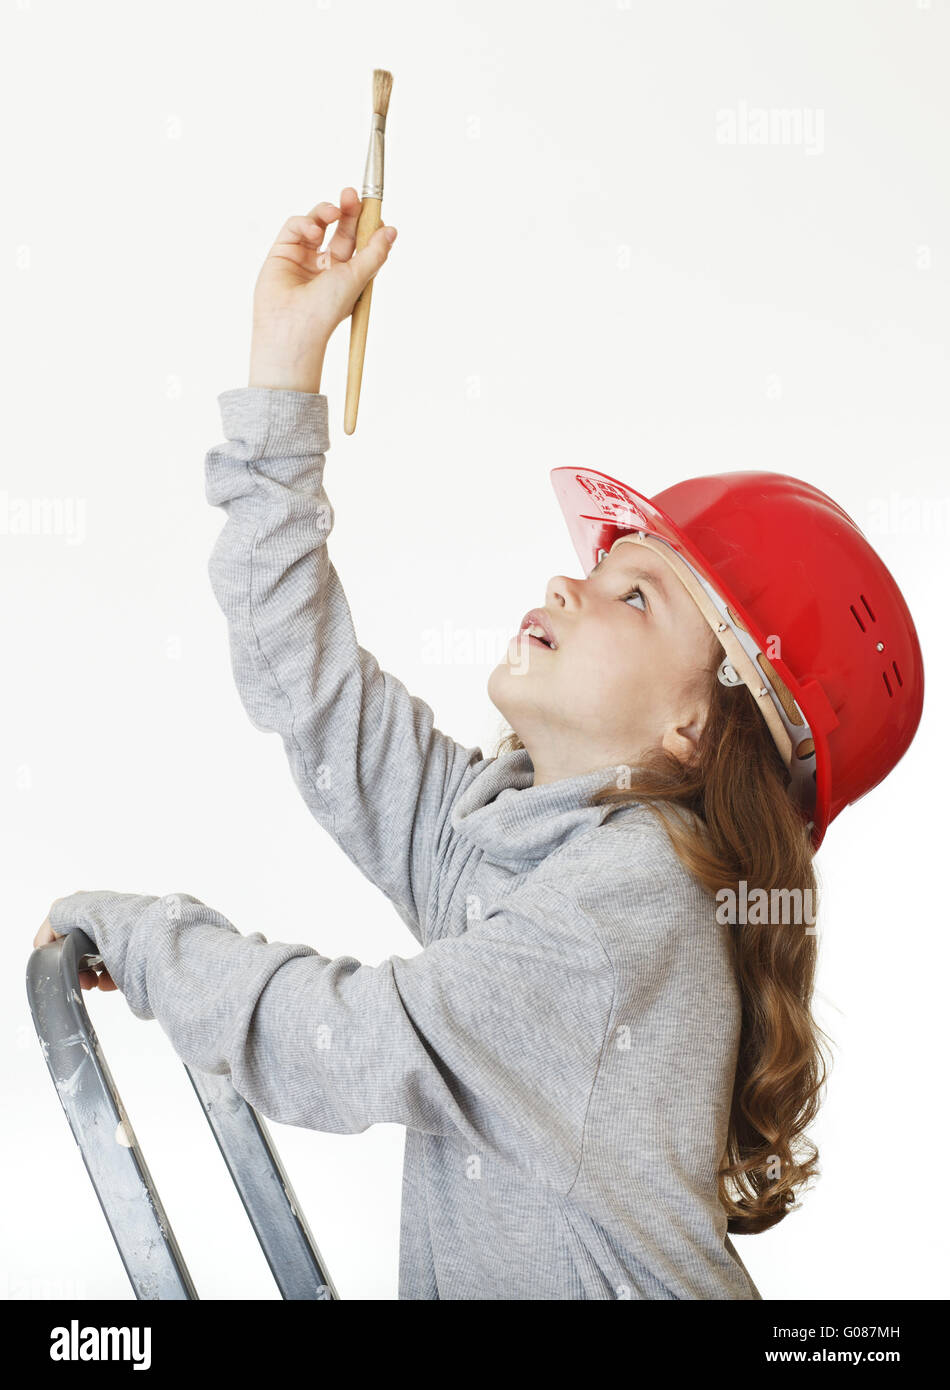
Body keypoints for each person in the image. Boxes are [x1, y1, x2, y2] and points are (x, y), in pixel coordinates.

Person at [38, 188, 924, 1300]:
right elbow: (309, 688)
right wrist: (280, 372)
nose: (566, 580)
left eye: (634, 595)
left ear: (695, 728)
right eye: (595, 568)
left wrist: (151, 935)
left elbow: (347, 1041)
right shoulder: (514, 841)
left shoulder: (625, 911)